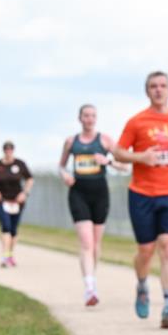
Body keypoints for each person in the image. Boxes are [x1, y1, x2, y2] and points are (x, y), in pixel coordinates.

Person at [112, 71, 168, 329]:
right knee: (146, 251)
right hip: (142, 194)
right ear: (147, 91)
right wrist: (140, 158)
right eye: (153, 86)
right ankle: (141, 286)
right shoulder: (137, 121)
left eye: (163, 86)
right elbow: (118, 152)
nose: (158, 90)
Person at [59, 104, 128, 306]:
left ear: (96, 119)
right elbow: (61, 165)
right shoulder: (71, 142)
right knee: (86, 242)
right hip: (78, 192)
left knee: (96, 244)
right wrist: (64, 174)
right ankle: (90, 288)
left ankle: (91, 278)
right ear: (79, 118)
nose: (89, 119)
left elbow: (124, 165)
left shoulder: (105, 140)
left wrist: (107, 161)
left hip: (100, 194)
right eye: (86, 116)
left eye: (93, 116)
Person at [0, 141, 34, 267]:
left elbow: (30, 179)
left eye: (10, 149)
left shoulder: (20, 164)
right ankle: (5, 256)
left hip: (17, 201)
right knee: (5, 225)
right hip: (1, 201)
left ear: (13, 150)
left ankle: (11, 255)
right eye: (6, 149)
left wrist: (25, 193)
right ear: (3, 150)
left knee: (13, 228)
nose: (8, 151)